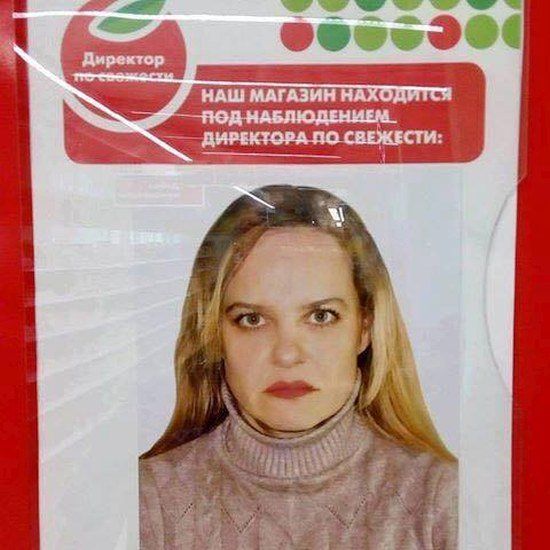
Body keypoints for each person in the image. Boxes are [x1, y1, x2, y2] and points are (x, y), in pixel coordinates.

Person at [139, 184, 458, 549]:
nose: (287, 355)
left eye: (321, 316)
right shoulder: (150, 502)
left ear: (364, 329)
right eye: (252, 319)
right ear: (213, 334)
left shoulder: (441, 501)